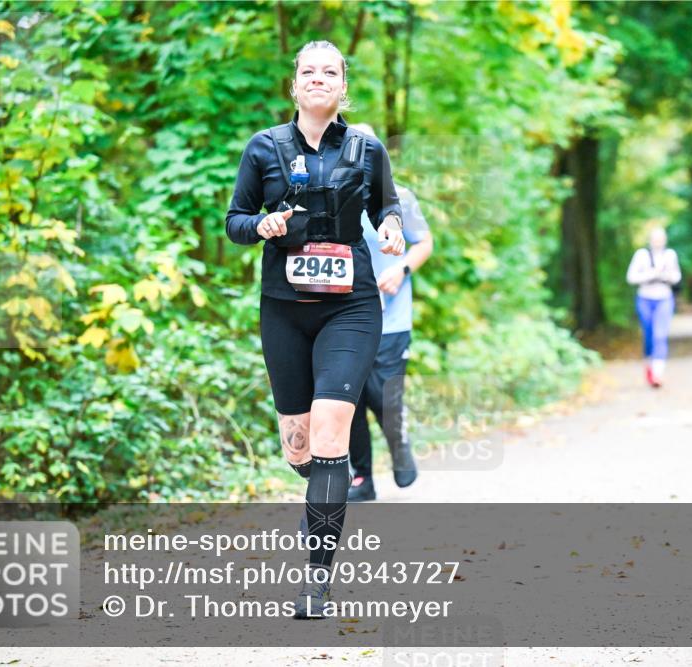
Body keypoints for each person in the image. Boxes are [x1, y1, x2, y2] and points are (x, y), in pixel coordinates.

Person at [224, 40, 405, 619]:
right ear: (295, 84)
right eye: (309, 71)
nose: (319, 79)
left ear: (343, 86)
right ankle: (319, 480)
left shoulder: (367, 149)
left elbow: (388, 208)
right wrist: (262, 226)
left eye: (330, 72)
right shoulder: (264, 147)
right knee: (300, 446)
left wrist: (392, 229)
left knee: (330, 436)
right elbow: (234, 221)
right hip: (284, 308)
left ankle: (316, 581)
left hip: (350, 306)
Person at [345, 124, 433, 502]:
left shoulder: (400, 196)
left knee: (383, 397)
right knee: (348, 398)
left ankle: (398, 444)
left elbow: (424, 242)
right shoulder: (330, 196)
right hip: (344, 317)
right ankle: (362, 478)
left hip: (390, 317)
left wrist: (401, 269)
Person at [626, 228, 681, 388]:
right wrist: (651, 274)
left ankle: (658, 374)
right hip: (645, 298)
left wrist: (666, 276)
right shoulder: (641, 255)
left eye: (661, 238)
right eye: (655, 238)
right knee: (649, 335)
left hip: (664, 298)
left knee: (660, 335)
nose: (658, 241)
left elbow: (677, 277)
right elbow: (631, 277)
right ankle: (649, 365)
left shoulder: (670, 255)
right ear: (650, 240)